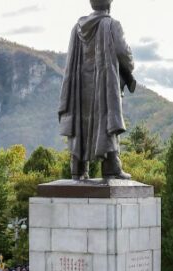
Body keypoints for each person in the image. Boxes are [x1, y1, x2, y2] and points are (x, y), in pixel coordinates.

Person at [59, 0, 136, 179]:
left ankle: (77, 168)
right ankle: (111, 167)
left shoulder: (76, 29)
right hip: (103, 85)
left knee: (79, 124)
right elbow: (124, 53)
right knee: (107, 120)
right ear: (110, 4)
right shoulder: (112, 25)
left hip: (79, 88)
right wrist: (129, 68)